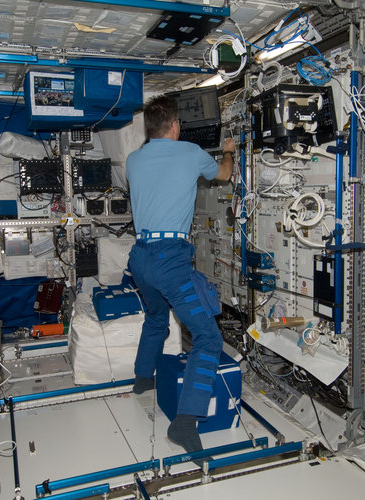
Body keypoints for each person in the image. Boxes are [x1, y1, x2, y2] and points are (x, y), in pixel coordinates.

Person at [125, 95, 235, 453]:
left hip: (140, 258)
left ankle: (143, 380)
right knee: (208, 337)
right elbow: (224, 175)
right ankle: (185, 423)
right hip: (170, 260)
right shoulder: (190, 152)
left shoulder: (133, 159)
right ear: (175, 126)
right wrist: (229, 150)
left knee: (156, 318)